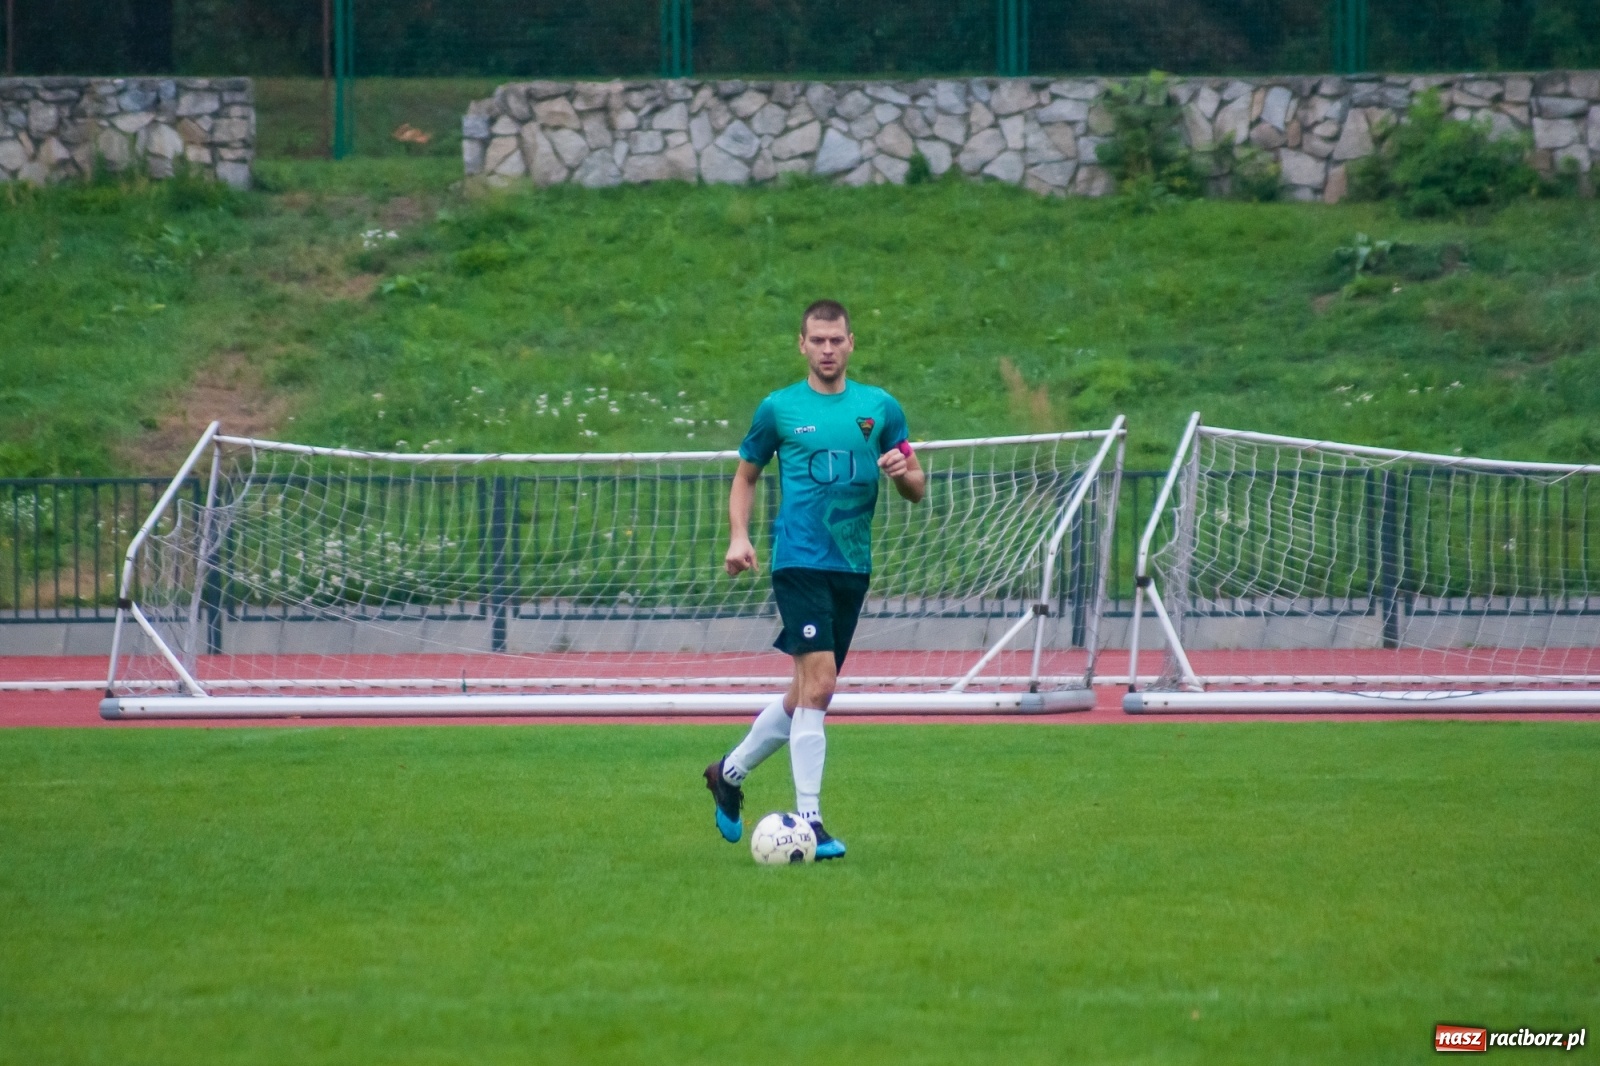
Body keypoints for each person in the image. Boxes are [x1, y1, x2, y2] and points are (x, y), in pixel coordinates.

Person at [704, 299, 926, 859]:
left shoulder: (879, 407)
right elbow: (745, 476)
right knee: (822, 686)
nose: (827, 349)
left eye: (836, 340)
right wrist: (739, 535)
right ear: (801, 345)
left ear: (852, 343)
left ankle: (728, 774)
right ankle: (811, 822)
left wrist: (905, 474)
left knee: (805, 691)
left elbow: (917, 482)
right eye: (817, 340)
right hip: (798, 560)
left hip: (852, 566)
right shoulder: (779, 409)